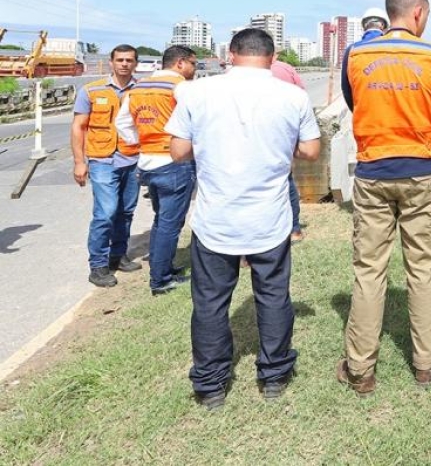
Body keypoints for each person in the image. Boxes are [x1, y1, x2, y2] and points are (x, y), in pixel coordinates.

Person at [166, 28, 320, 409]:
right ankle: (274, 375)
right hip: (270, 220)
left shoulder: (196, 93)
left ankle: (211, 385)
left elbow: (178, 151)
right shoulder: (293, 95)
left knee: (211, 302)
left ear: (230, 54)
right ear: (273, 56)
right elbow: (312, 151)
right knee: (273, 297)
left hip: (216, 220)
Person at [337, 0, 431, 394]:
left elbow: (356, 103)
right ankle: (426, 363)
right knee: (423, 267)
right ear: (418, 13)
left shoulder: (355, 55)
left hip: (373, 172)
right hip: (420, 170)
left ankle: (360, 369)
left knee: (369, 270)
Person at [116, 45, 197, 295]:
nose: (194, 69)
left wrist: (141, 143)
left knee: (162, 219)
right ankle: (160, 280)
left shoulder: (137, 88)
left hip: (147, 163)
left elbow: (122, 123)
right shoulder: (181, 88)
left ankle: (164, 267)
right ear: (181, 63)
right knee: (169, 223)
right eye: (194, 63)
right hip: (174, 163)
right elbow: (197, 120)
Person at [72, 44, 141, 288]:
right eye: (120, 60)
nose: (124, 64)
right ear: (111, 63)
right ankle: (98, 265)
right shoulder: (91, 91)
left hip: (132, 160)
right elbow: (79, 127)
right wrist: (80, 162)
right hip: (102, 161)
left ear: (135, 64)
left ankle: (118, 255)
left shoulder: (142, 91)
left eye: (129, 60)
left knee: (126, 211)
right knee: (105, 213)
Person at [269, 55, 308, 242]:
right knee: (286, 178)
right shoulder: (286, 69)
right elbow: (302, 95)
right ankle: (294, 228)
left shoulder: (234, 73)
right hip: (284, 131)